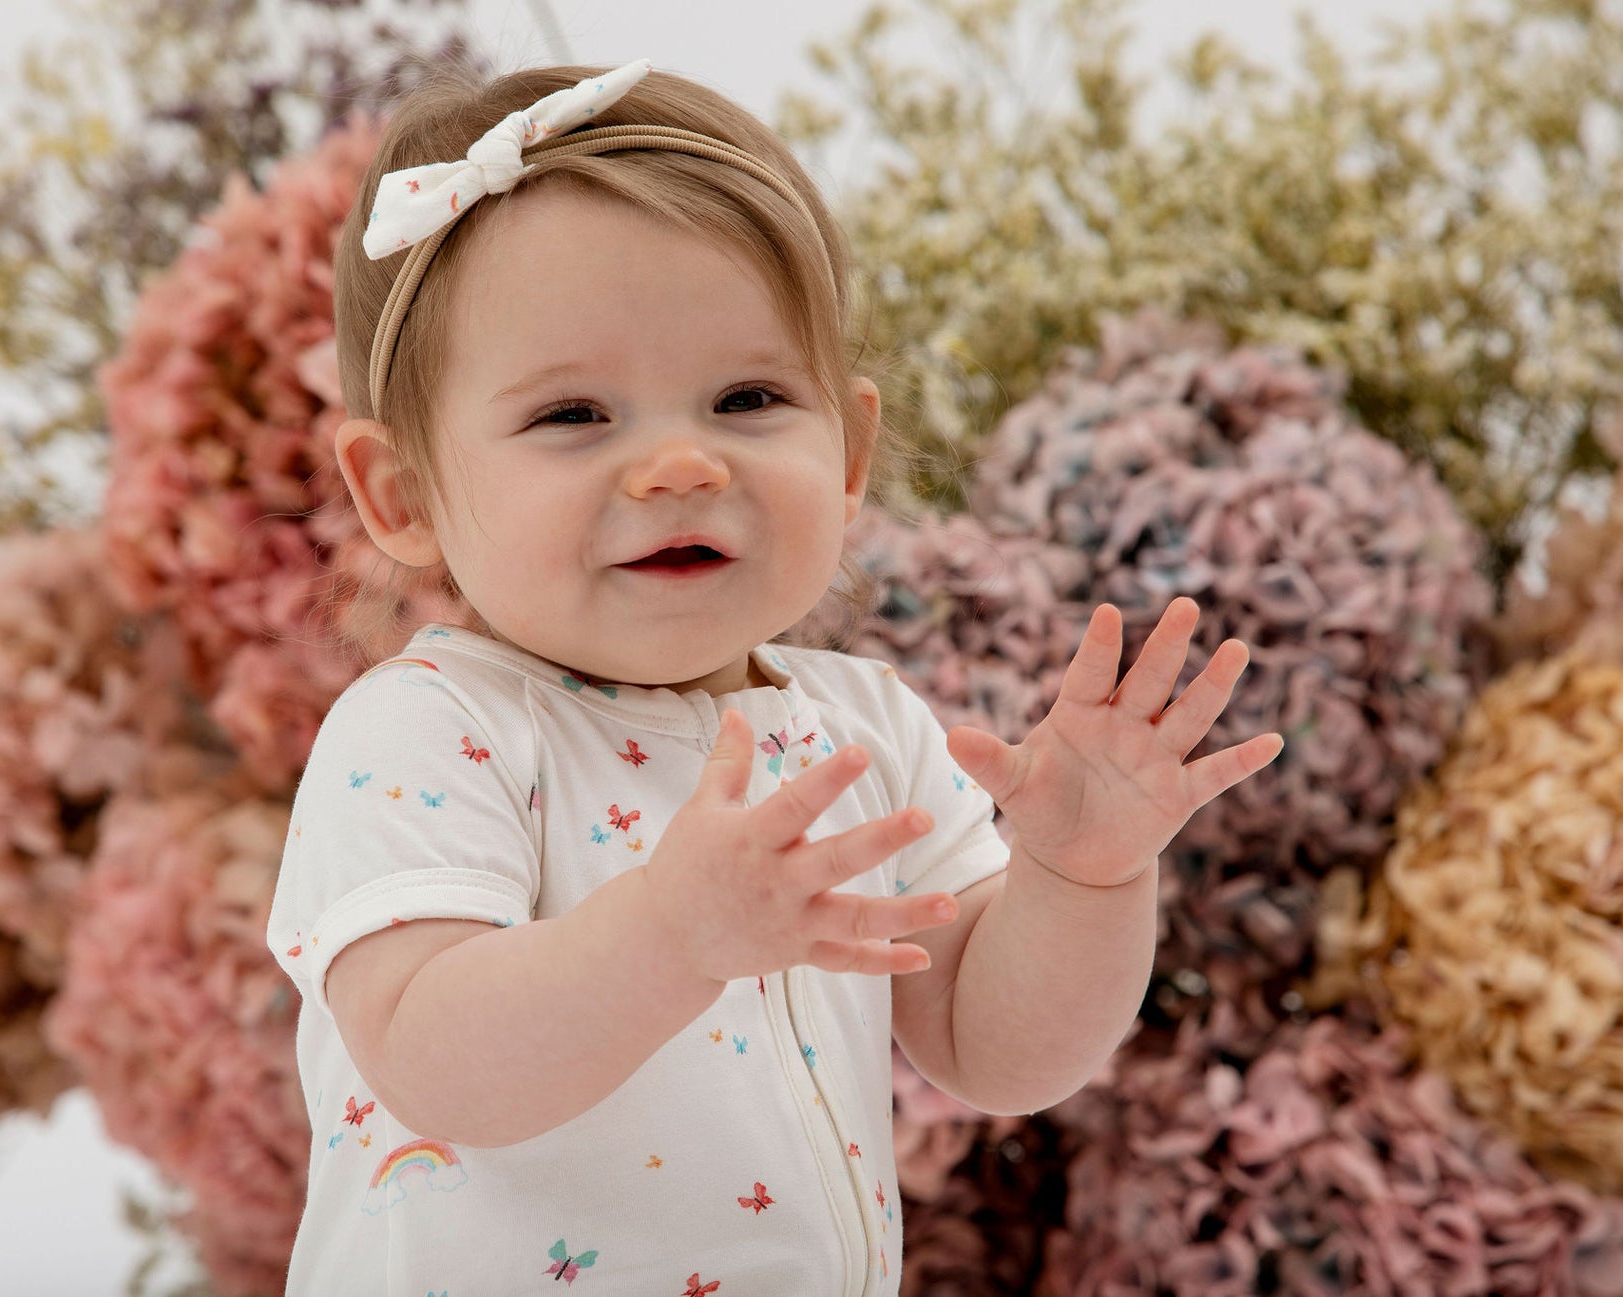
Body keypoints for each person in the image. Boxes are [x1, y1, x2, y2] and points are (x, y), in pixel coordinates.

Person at [265, 58, 1282, 1296]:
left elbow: (995, 1051)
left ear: (847, 453)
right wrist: (667, 935)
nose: (678, 465)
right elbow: (437, 1061)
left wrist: (1080, 879)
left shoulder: (861, 728)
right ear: (403, 494)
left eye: (746, 397)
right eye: (574, 415)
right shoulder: (427, 732)